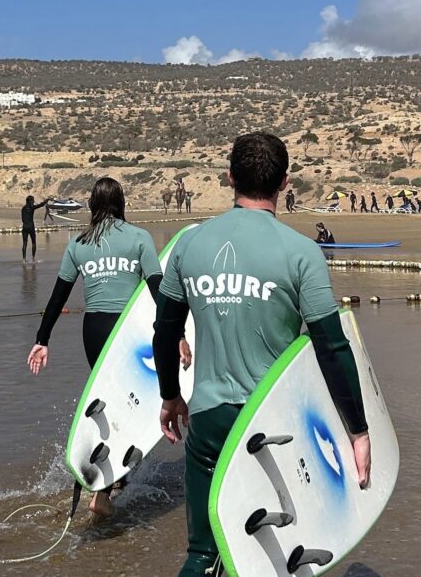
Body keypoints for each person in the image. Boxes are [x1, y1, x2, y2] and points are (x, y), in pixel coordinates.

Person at [151, 132, 370, 575]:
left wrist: (170, 395)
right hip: (276, 423)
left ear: (229, 177)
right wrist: (358, 430)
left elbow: (165, 330)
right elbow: (331, 345)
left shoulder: (190, 244)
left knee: (203, 554)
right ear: (285, 182)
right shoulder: (302, 253)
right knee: (282, 554)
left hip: (210, 419)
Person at [27, 177, 184, 516]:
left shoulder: (79, 243)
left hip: (94, 330)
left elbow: (58, 297)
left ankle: (101, 481)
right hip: (127, 332)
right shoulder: (139, 238)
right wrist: (179, 332)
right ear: (121, 203)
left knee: (109, 403)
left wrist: (42, 339)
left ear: (92, 205)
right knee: (132, 405)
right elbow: (158, 290)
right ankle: (106, 490)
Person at [20, 195, 50, 263]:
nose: (33, 201)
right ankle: (33, 258)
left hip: (25, 226)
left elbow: (22, 219)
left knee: (24, 243)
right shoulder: (32, 207)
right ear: (30, 201)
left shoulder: (23, 208)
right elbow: (41, 205)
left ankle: (24, 260)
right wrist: (47, 200)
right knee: (33, 242)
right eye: (33, 200)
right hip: (31, 226)